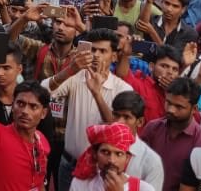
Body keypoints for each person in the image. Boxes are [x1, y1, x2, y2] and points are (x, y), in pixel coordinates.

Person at [44, 28, 135, 190]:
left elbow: (119, 130)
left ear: (114, 56)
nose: (96, 55)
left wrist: (96, 93)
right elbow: (44, 91)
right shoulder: (76, 77)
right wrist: (70, 70)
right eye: (93, 50)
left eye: (103, 51)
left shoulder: (123, 89)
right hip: (69, 164)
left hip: (101, 171)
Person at [0, 70, 51, 191]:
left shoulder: (42, 141)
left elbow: (40, 183)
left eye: (33, 106)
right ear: (13, 106)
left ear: (43, 113)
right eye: (20, 104)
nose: (25, 111)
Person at [140, 78, 201, 191]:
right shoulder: (152, 128)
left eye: (179, 107)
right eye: (168, 102)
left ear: (194, 109)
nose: (171, 110)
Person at [69, 123, 156, 191]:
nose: (111, 160)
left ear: (127, 158)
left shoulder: (144, 189)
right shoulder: (80, 184)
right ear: (95, 154)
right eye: (105, 152)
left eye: (119, 154)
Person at [111, 92, 165, 191]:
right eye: (116, 115)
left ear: (140, 122)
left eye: (126, 117)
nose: (119, 122)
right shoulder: (99, 151)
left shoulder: (152, 161)